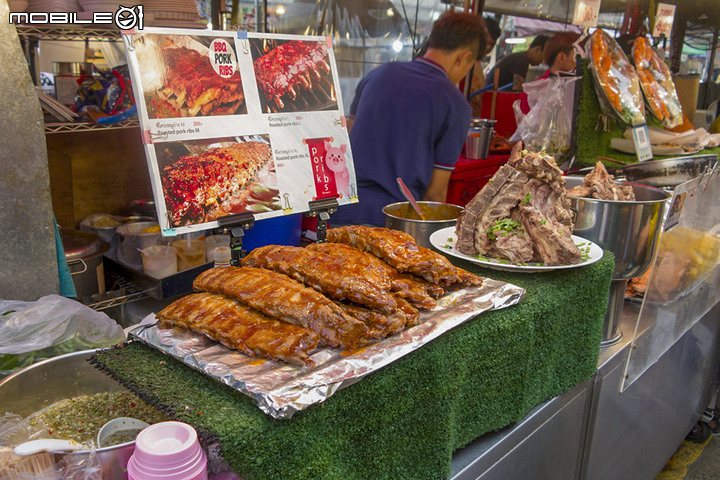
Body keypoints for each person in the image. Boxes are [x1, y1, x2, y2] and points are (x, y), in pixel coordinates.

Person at [332, 11, 487, 227]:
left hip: (339, 210)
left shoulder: (378, 75)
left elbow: (346, 138)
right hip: (392, 224)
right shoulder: (456, 105)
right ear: (465, 58)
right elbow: (435, 193)